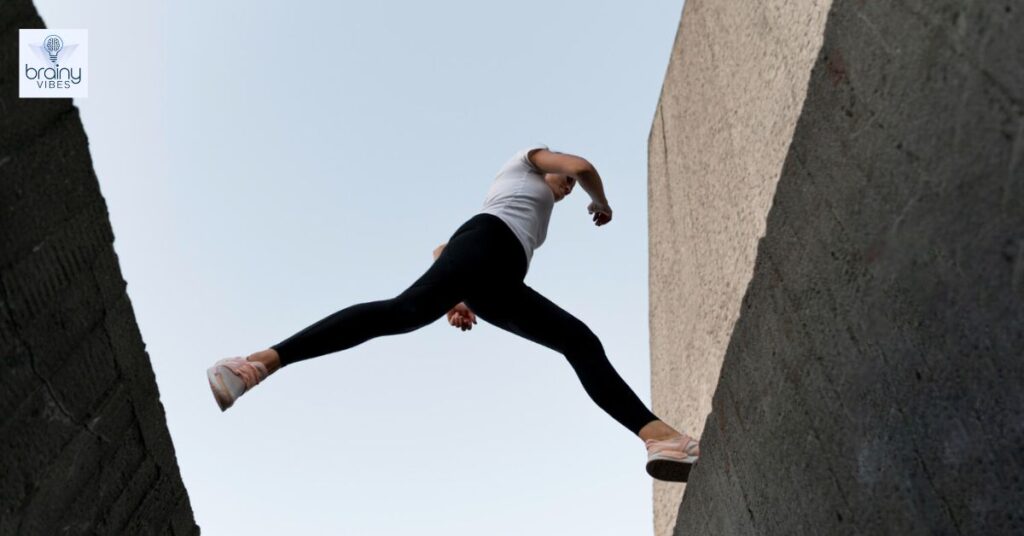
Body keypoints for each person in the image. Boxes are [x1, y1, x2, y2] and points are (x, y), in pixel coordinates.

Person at [206, 144, 701, 482]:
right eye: (563, 178)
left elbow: (446, 248)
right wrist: (600, 200)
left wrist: (460, 298)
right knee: (399, 313)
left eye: (571, 186)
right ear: (542, 163)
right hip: (488, 244)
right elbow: (585, 164)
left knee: (578, 341)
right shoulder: (522, 164)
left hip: (494, 273)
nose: (569, 184)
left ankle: (661, 440)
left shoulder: (530, 209)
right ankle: (254, 364)